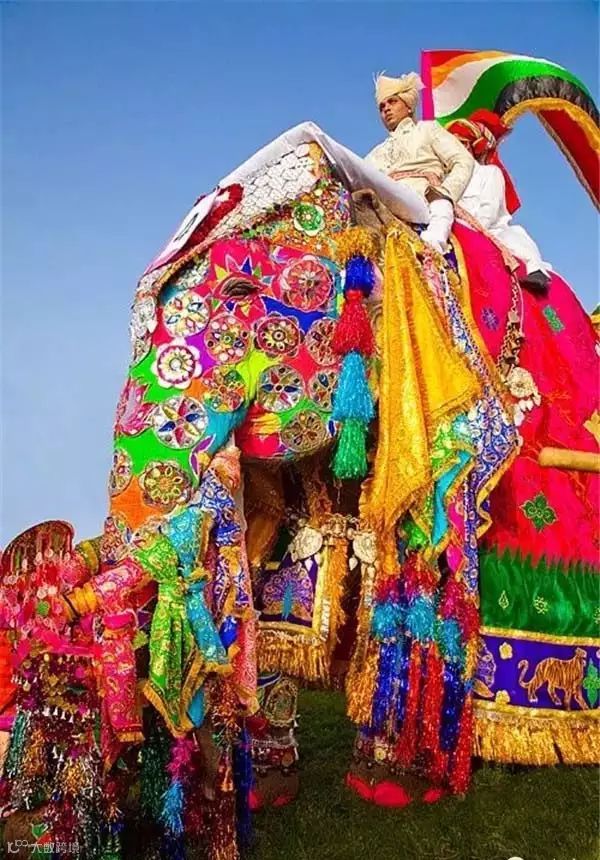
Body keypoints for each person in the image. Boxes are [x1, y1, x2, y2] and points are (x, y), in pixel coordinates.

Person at [365, 71, 474, 253]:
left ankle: (434, 246)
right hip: (386, 205)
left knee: (439, 218)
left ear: (409, 106)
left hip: (425, 197)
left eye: (392, 102)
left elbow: (463, 160)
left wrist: (445, 192)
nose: (386, 109)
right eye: (381, 106)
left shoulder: (427, 129)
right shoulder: (376, 153)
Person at [448, 109, 551, 291]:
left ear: (470, 147)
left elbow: (489, 210)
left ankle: (536, 272)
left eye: (460, 144)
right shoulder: (445, 178)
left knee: (515, 241)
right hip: (450, 227)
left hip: (488, 230)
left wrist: (469, 230)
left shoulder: (489, 173)